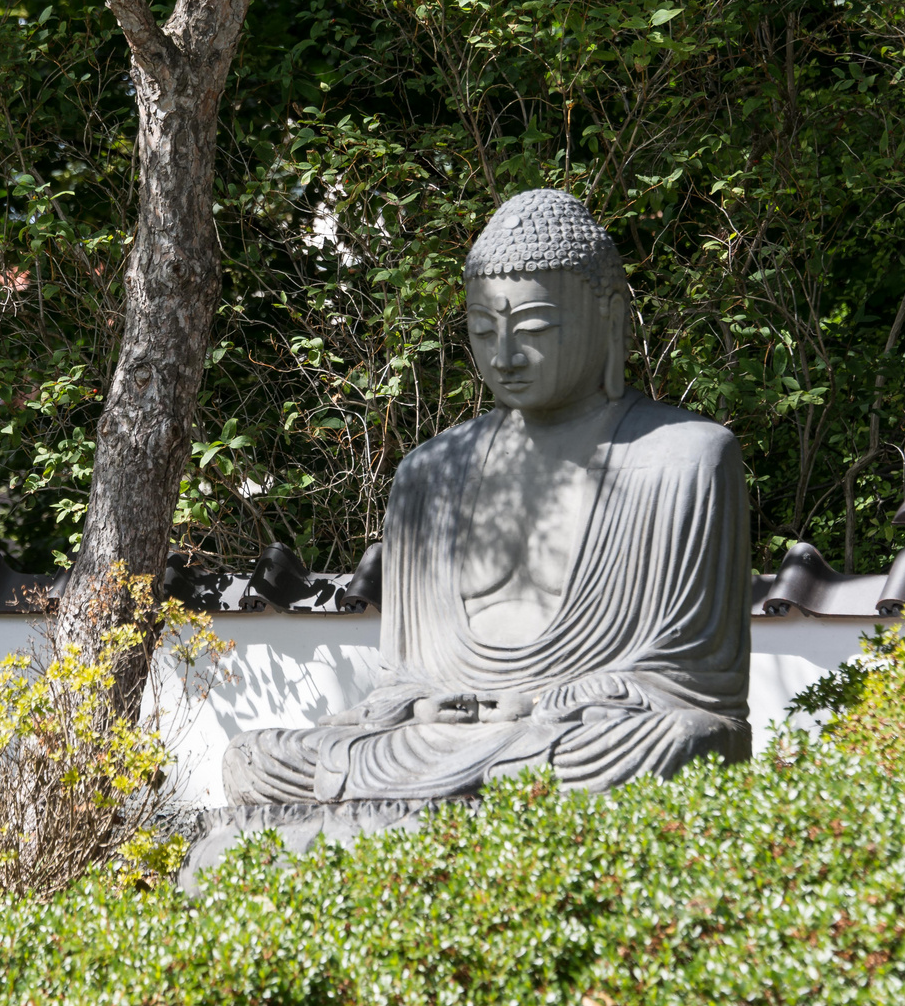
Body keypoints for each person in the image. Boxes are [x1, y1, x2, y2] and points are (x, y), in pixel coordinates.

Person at [224, 188, 751, 802]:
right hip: (434, 743)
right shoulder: (430, 472)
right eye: (483, 329)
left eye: (533, 327)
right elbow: (401, 676)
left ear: (609, 317)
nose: (504, 356)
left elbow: (690, 679)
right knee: (257, 758)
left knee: (678, 741)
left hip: (581, 735)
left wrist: (541, 702)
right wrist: (420, 704)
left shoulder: (685, 457)